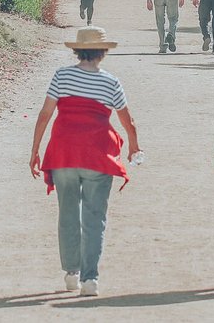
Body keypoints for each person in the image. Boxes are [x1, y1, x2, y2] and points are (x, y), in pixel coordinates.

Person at [30, 27, 140, 297]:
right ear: (103, 52)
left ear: (77, 50)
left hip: (64, 152)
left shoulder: (62, 76)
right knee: (94, 217)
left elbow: (45, 114)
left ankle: (71, 272)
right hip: (97, 154)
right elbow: (128, 120)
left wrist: (35, 150)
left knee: (67, 213)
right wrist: (134, 146)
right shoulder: (111, 82)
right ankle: (90, 279)